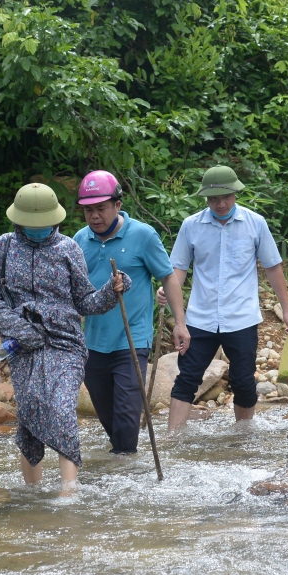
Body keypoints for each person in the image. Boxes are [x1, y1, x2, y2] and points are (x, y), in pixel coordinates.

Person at [0, 183, 130, 492]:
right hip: (22, 347)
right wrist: (21, 330)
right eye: (30, 225)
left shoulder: (67, 248)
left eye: (43, 225)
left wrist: (111, 292)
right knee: (30, 414)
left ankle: (68, 490)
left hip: (66, 343)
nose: (37, 229)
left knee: (61, 409)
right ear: (18, 220)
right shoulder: (4, 247)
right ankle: (33, 494)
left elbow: (85, 301)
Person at [157, 165, 288, 432]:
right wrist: (168, 289)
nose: (220, 204)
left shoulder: (255, 223)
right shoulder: (191, 226)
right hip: (200, 318)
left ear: (236, 194)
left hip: (241, 317)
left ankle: (243, 437)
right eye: (213, 199)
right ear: (205, 198)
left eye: (226, 197)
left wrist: (287, 310)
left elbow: (273, 267)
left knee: (243, 380)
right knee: (187, 378)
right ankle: (171, 441)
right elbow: (178, 269)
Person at [72, 170, 188, 455]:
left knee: (126, 413)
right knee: (107, 413)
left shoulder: (143, 235)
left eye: (101, 208)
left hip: (132, 338)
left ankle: (124, 466)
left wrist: (180, 324)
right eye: (88, 210)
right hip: (92, 342)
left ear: (118, 205)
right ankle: (123, 461)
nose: (94, 216)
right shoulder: (78, 240)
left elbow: (168, 277)